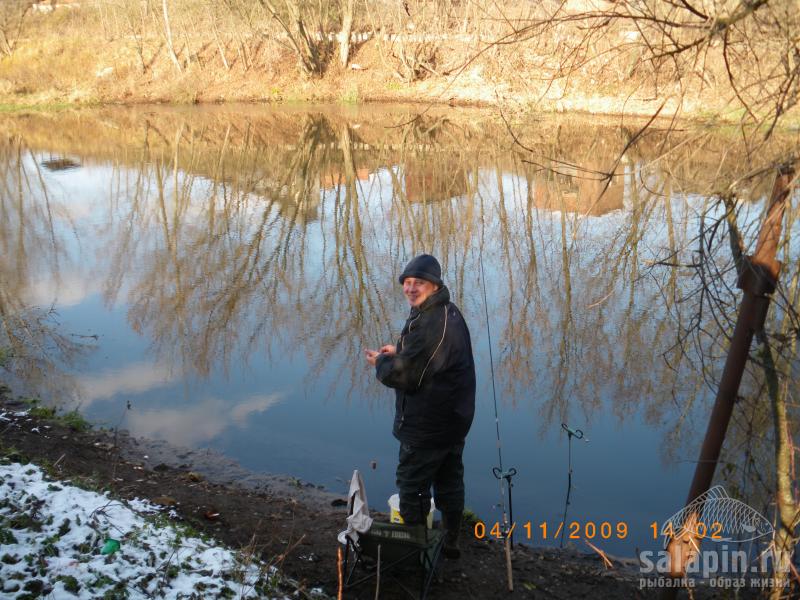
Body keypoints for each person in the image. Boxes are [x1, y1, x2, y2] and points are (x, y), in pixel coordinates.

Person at [364, 254, 476, 558]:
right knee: (449, 482)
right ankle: (451, 543)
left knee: (412, 488)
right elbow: (433, 358)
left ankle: (416, 552)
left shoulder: (430, 321)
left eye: (419, 283)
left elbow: (406, 376)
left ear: (434, 285)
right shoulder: (447, 311)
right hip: (453, 421)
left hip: (426, 426)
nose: (411, 288)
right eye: (408, 282)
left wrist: (382, 362)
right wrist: (400, 350)